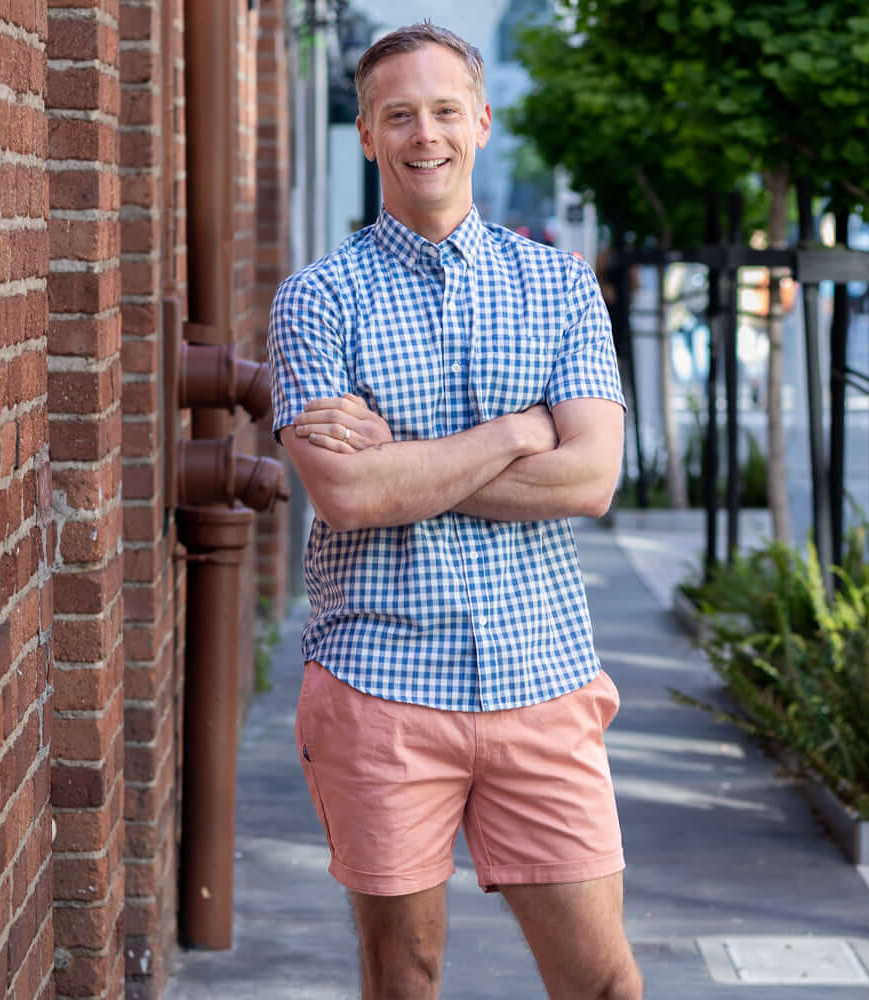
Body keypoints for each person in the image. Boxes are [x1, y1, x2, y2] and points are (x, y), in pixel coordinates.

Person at [267, 22, 642, 1000]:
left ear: (479, 121)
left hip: (541, 676)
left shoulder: (557, 285)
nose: (421, 133)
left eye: (442, 110)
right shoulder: (317, 301)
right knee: (404, 978)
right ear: (365, 134)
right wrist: (521, 432)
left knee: (604, 983)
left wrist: (404, 459)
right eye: (397, 114)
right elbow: (344, 495)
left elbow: (592, 479)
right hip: (379, 685)